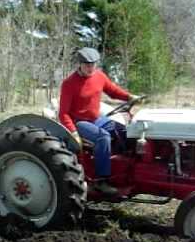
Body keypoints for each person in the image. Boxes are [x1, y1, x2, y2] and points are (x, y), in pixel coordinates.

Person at [59, 47, 139, 195]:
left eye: (93, 65)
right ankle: (101, 181)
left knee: (123, 131)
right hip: (79, 122)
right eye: (87, 65)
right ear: (80, 64)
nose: (90, 68)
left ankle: (123, 170)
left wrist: (129, 97)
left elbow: (113, 91)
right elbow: (63, 113)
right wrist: (73, 132)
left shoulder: (99, 76)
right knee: (103, 137)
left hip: (97, 119)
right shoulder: (69, 84)